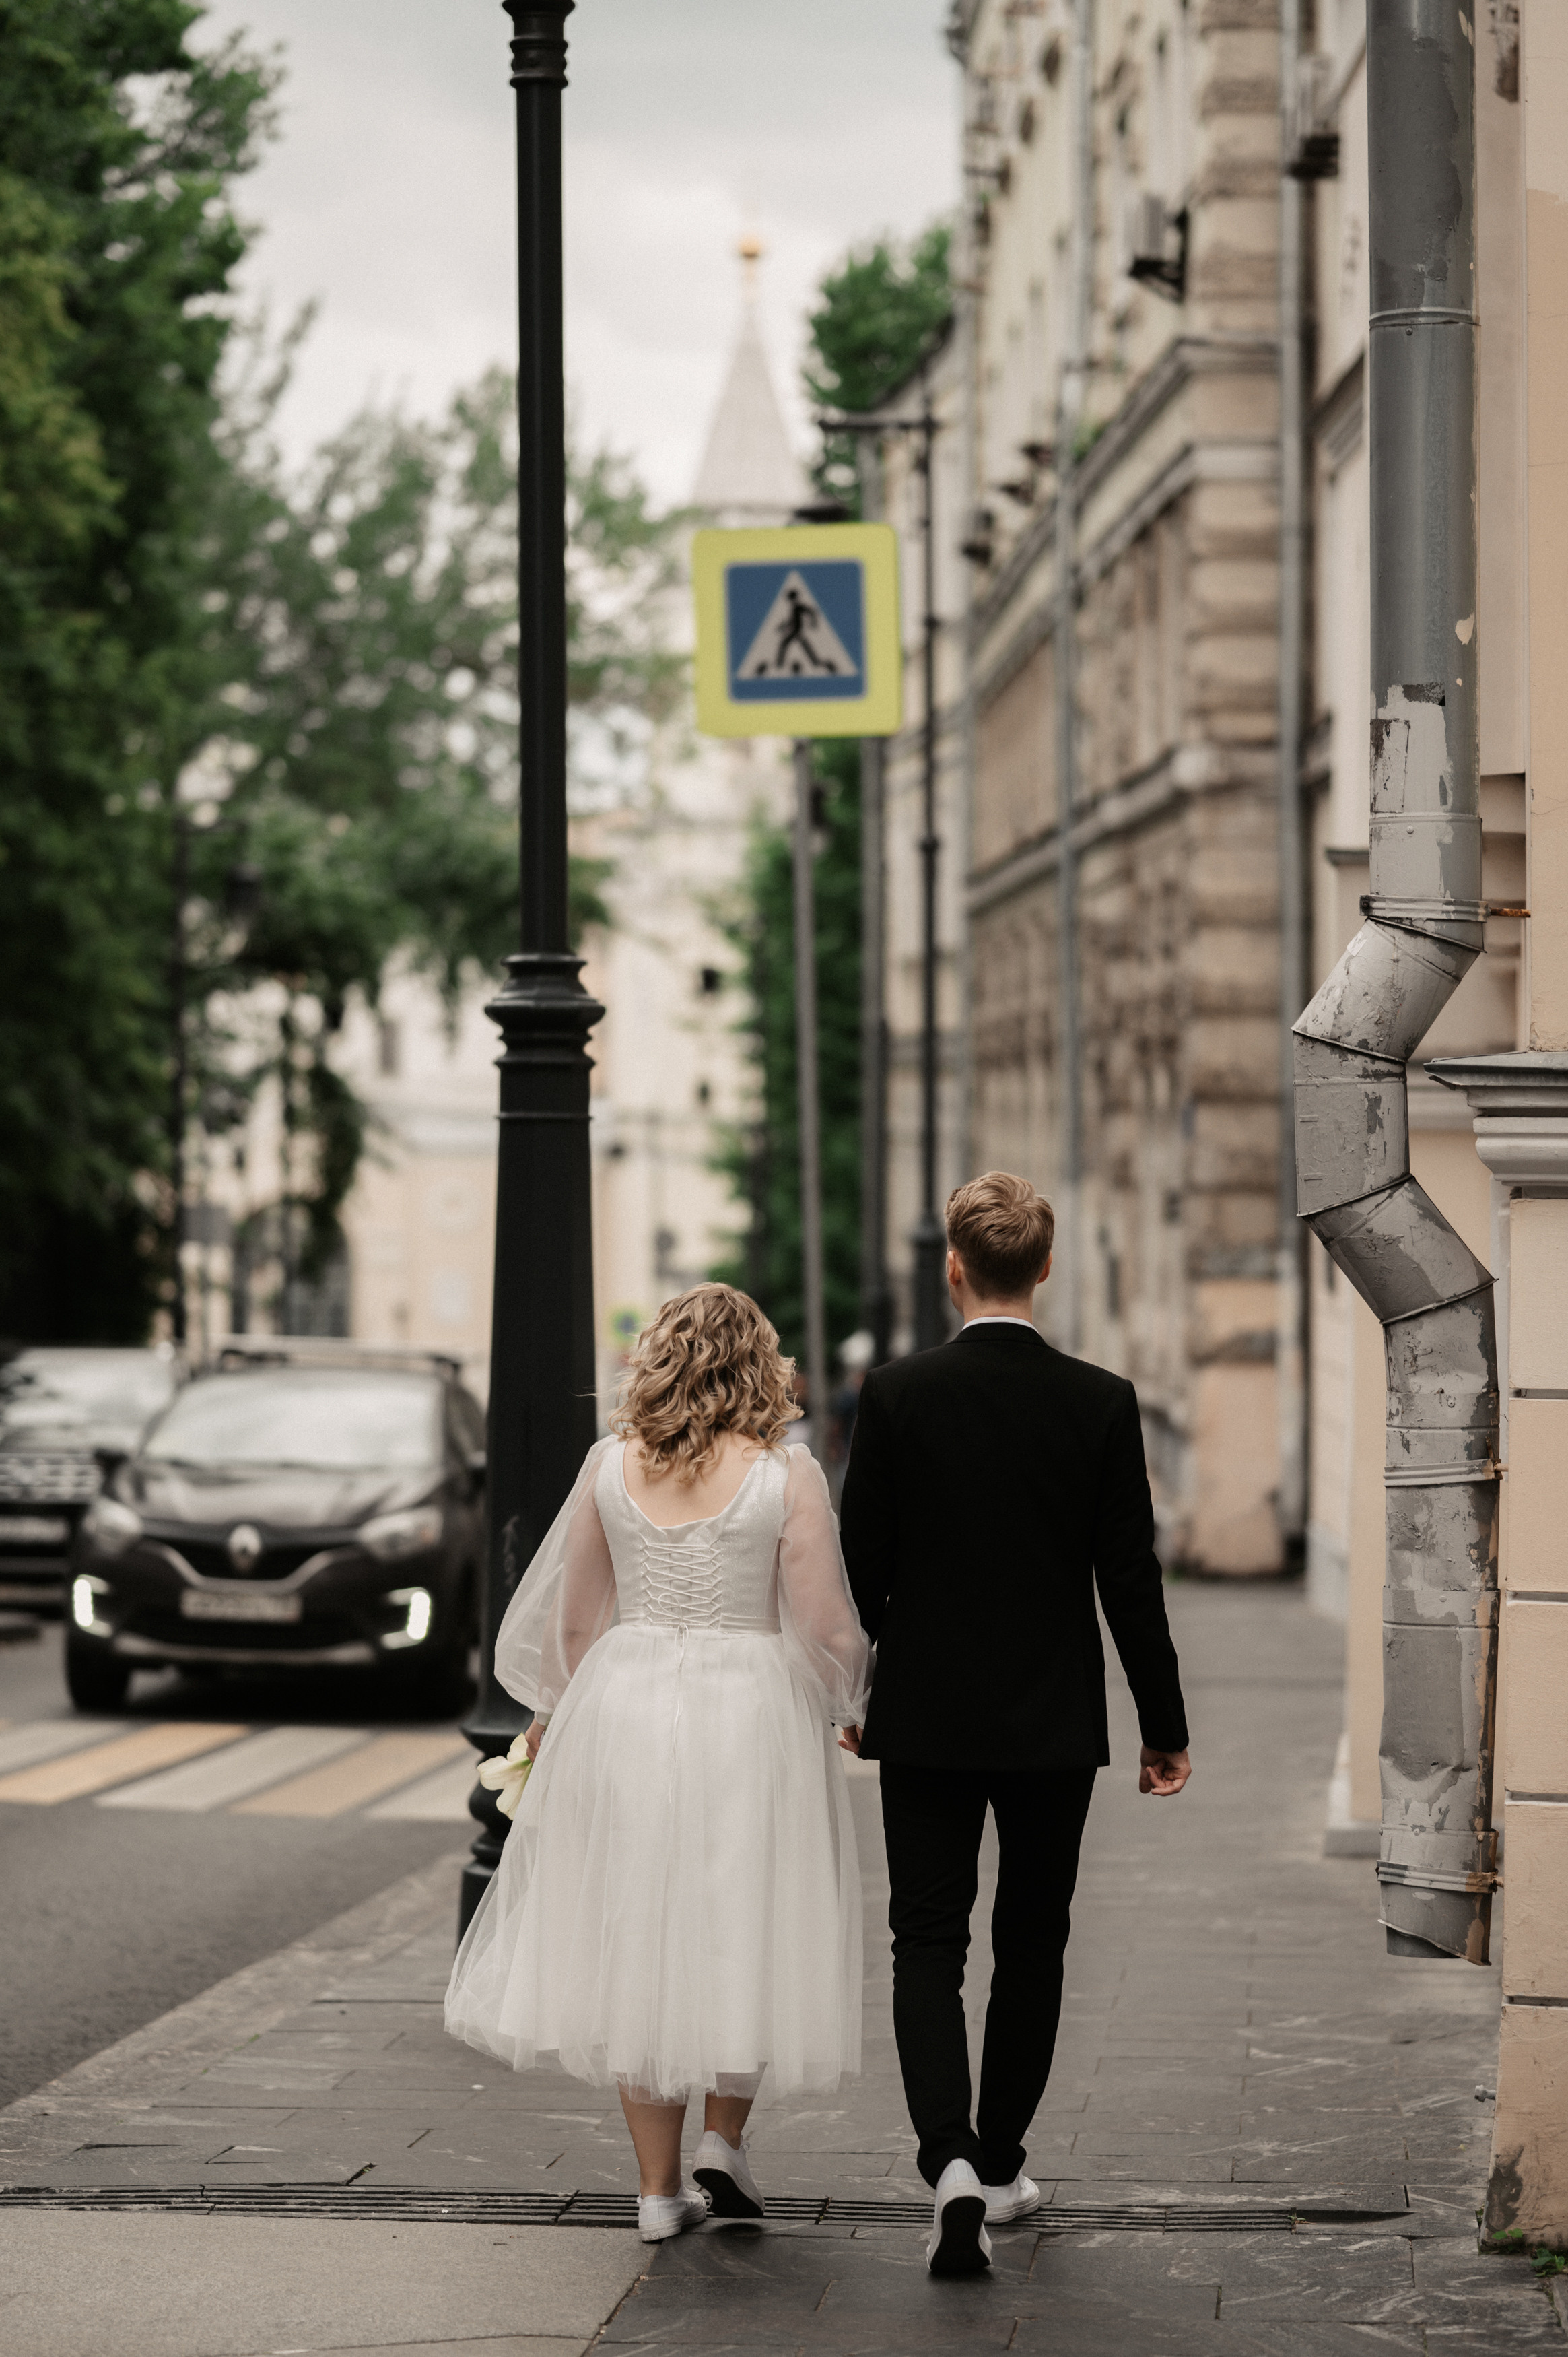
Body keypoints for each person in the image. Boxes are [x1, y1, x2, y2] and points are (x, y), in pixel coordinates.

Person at [445, 1283, 872, 2244]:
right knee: (742, 1915)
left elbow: (573, 1619)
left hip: (628, 1696)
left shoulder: (609, 1466)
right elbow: (825, 1623)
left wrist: (560, 1716)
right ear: (758, 1364)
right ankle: (725, 2140)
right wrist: (850, 1700)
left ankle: (654, 2192)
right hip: (749, 1702)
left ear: (661, 1360)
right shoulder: (785, 1474)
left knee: (640, 1923)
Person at [838, 1171, 1190, 2278]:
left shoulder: (895, 1397)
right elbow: (1127, 1578)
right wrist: (1161, 1723)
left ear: (953, 1268)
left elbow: (861, 1571)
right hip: (1051, 1721)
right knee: (1030, 1943)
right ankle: (997, 2165)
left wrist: (855, 1697)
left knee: (925, 1941)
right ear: (1044, 1268)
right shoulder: (1097, 1400)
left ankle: (942, 2160)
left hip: (928, 1716)